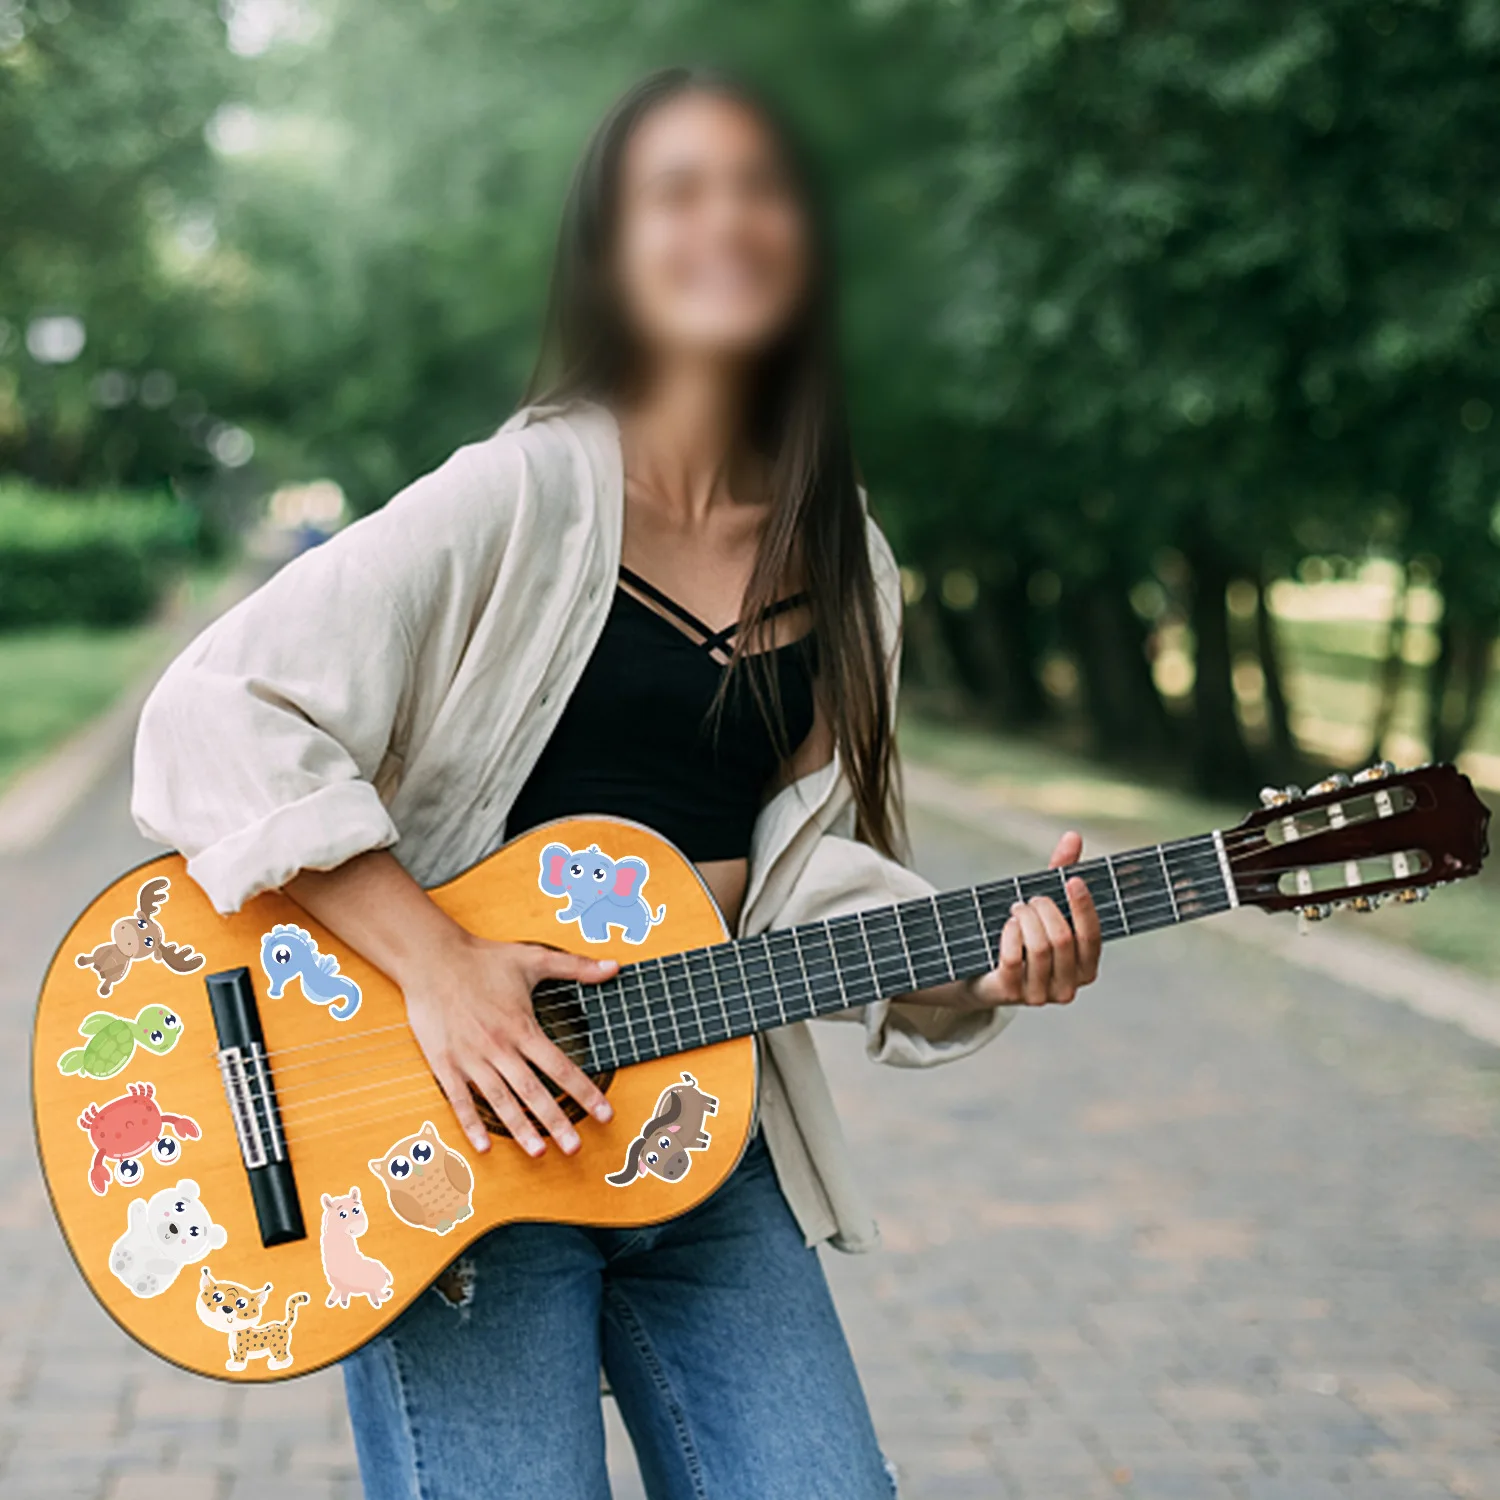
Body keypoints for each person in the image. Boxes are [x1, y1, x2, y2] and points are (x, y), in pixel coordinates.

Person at [133, 66, 1102, 1500]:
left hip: (698, 1145)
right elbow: (216, 709)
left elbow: (804, 889)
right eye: (678, 191)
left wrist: (982, 972)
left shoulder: (853, 566)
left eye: (762, 188)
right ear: (610, 252)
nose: (728, 220)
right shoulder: (518, 495)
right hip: (450, 1154)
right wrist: (442, 966)